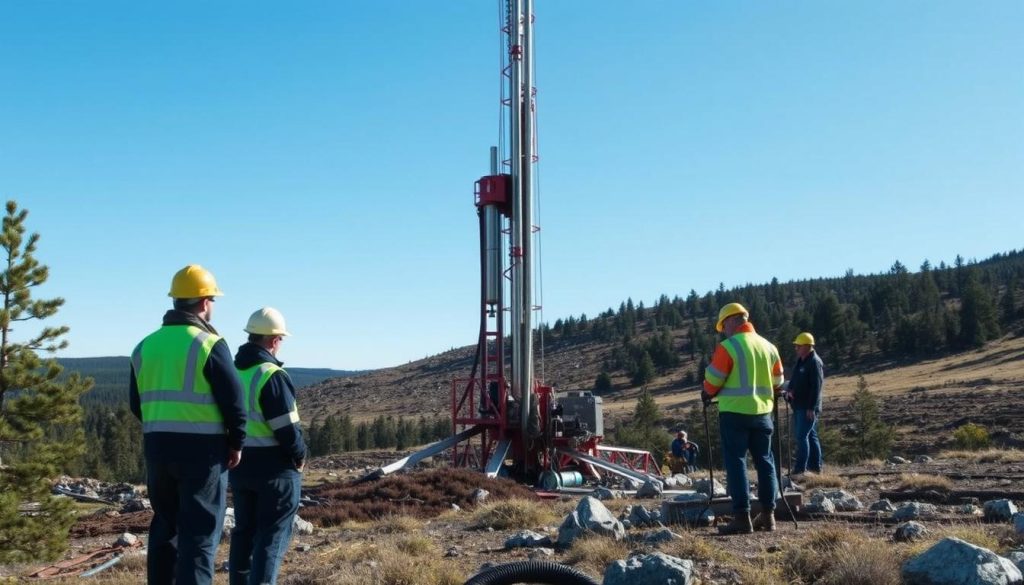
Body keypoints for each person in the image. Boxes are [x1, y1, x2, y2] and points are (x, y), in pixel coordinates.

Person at [130, 265, 246, 585]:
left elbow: (135, 403)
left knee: (165, 528)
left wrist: (162, 427)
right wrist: (236, 443)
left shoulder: (143, 346)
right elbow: (234, 402)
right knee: (199, 536)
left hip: (157, 448)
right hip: (203, 452)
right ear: (205, 301)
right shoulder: (209, 343)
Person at [229, 307, 306, 585]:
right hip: (275, 470)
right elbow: (287, 428)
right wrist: (300, 456)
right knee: (271, 539)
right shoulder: (271, 375)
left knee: (244, 534)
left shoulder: (233, 372)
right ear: (274, 340)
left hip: (239, 465)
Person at [702, 302, 784, 535]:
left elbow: (712, 383)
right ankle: (768, 516)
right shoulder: (769, 347)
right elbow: (778, 382)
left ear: (730, 322)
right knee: (765, 462)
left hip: (734, 414)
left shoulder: (728, 347)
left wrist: (706, 390)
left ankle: (741, 517)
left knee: (737, 462)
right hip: (763, 414)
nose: (723, 331)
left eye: (723, 327)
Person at [786, 332, 824, 476]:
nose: (796, 348)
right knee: (811, 435)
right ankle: (815, 467)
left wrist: (811, 408)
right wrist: (790, 390)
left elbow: (816, 386)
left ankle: (800, 469)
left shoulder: (814, 362)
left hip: (806, 407)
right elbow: (796, 380)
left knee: (802, 437)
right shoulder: (802, 360)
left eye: (798, 346)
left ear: (808, 346)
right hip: (799, 405)